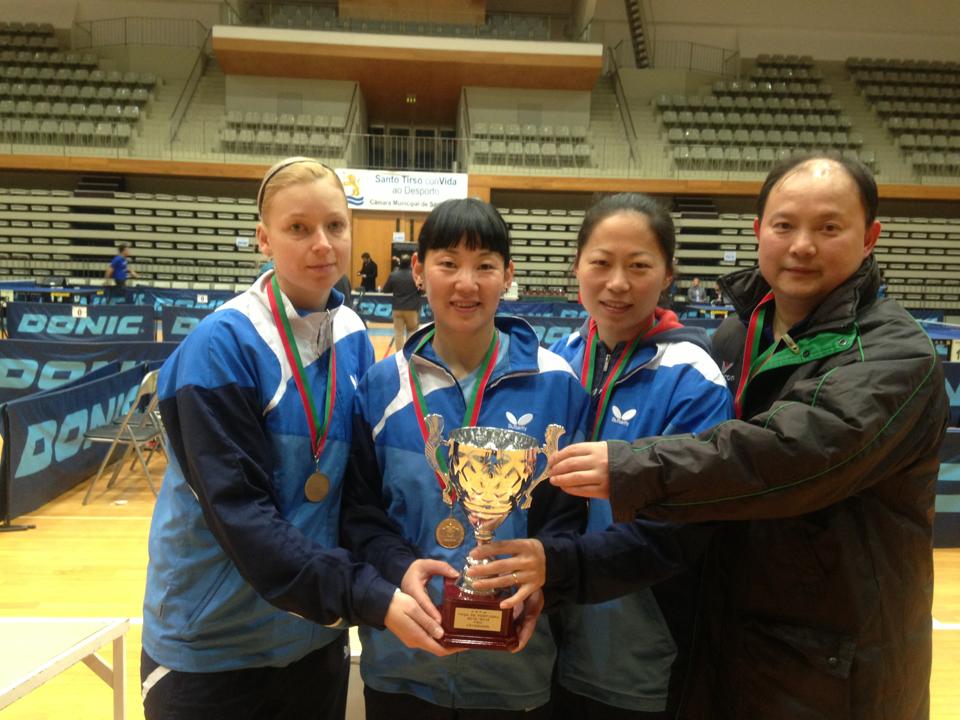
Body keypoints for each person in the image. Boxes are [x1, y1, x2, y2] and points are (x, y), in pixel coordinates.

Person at [477, 155, 949, 719]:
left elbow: (793, 454)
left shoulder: (894, 354)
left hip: (838, 657)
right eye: (784, 225)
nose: (802, 245)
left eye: (828, 227)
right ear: (758, 231)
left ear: (869, 237)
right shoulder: (738, 336)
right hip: (728, 638)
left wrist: (631, 470)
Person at [140, 157, 449, 720]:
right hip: (211, 651)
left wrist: (397, 567)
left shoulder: (353, 336)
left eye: (335, 225)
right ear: (264, 238)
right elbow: (243, 518)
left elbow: (356, 496)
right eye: (298, 228)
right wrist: (372, 597)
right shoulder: (221, 348)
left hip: (313, 641)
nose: (322, 245)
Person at [341, 197, 592, 719]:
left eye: (485, 266)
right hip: (403, 663)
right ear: (418, 269)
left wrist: (540, 575)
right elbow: (360, 513)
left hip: (516, 669)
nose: (466, 283)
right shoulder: (383, 383)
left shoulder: (558, 384)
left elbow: (569, 519)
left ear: (508, 276)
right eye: (448, 262)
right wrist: (401, 566)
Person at [546, 194, 732, 718]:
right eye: (601, 263)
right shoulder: (558, 359)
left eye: (639, 266)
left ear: (669, 273)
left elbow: (678, 530)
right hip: (546, 642)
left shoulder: (692, 376)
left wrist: (557, 568)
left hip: (639, 655)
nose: (618, 283)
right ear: (577, 264)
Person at [381, 252, 421, 353]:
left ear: (400, 263)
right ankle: (410, 352)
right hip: (412, 309)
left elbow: (385, 290)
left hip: (397, 308)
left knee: (398, 333)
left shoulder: (393, 275)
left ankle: (400, 354)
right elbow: (422, 290)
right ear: (410, 264)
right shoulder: (415, 276)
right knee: (412, 331)